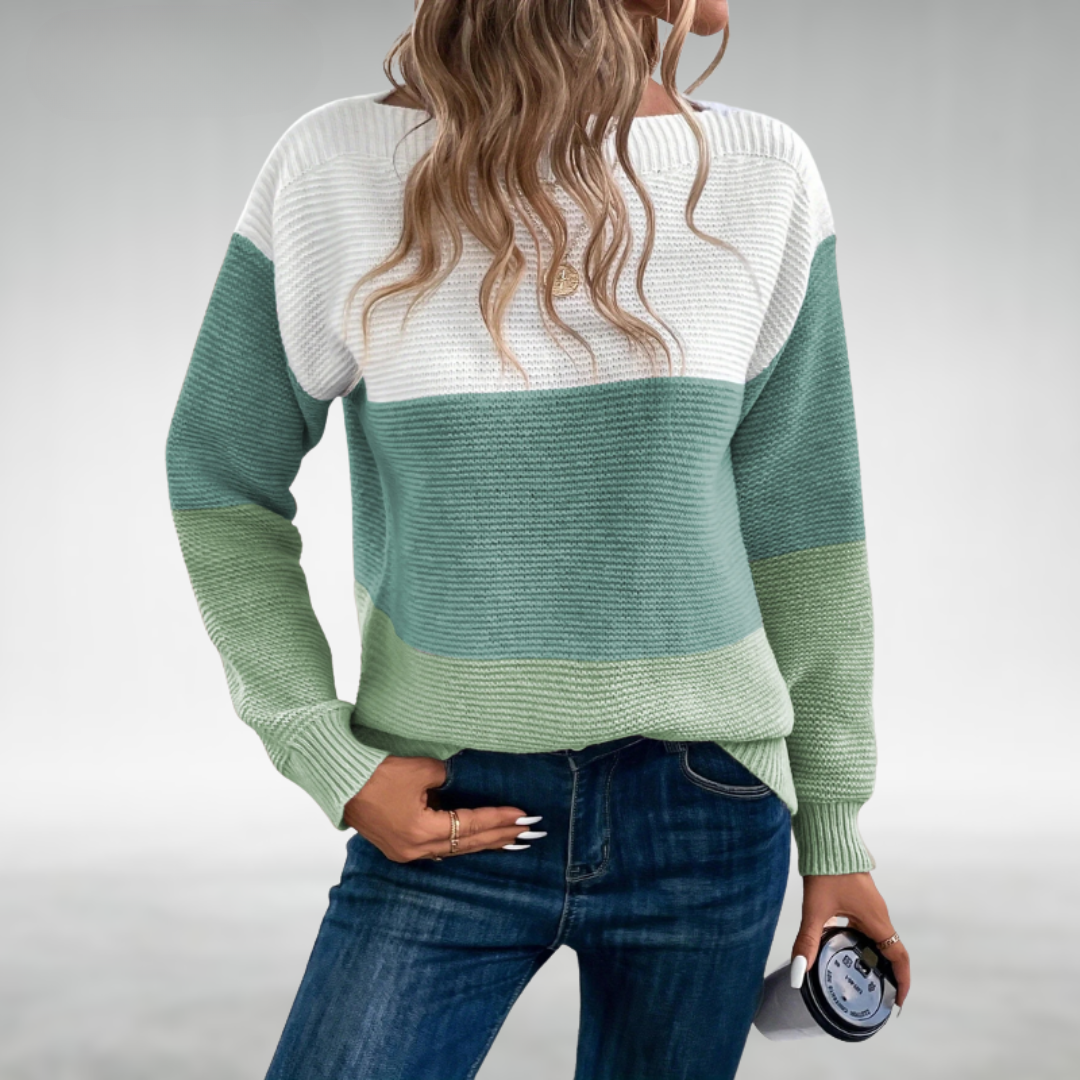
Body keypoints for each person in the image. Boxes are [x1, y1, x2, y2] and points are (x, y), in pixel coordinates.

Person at [165, 1, 912, 1076]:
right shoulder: (338, 166)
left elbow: (806, 530)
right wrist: (326, 753)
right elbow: (219, 474)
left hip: (706, 814)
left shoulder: (763, 174)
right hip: (445, 805)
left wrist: (835, 829)